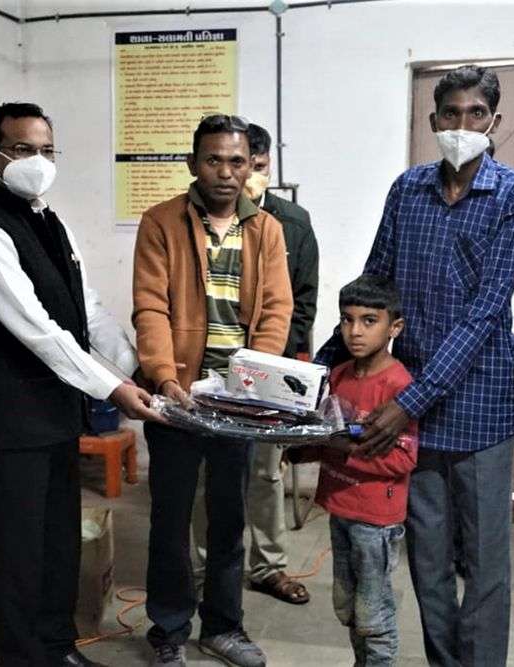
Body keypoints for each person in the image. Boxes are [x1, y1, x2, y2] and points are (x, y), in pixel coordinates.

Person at [317, 65, 514, 666]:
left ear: (494, 121)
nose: (461, 125)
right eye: (450, 113)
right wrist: (319, 368)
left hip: (476, 409)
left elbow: (486, 311)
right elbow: (375, 284)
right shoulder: (407, 190)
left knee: (487, 564)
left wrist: (407, 403)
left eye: (475, 114)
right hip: (410, 411)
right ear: (432, 119)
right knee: (428, 558)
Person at [0, 102, 159, 667]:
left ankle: (58, 648)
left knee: (59, 541)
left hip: (57, 414)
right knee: (17, 550)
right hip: (10, 419)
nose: (36, 161)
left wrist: (136, 367)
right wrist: (112, 389)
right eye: (21, 150)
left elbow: (84, 313)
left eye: (45, 149)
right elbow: (37, 330)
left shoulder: (50, 220)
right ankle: (22, 657)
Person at [132, 114, 293, 667]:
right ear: (193, 164)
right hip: (177, 396)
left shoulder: (266, 230)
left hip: (238, 400)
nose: (226, 172)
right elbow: (150, 305)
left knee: (229, 516)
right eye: (214, 160)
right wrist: (164, 376)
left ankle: (223, 627)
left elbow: (276, 310)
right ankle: (169, 629)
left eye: (236, 161)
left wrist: (255, 382)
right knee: (171, 517)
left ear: (251, 166)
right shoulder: (160, 222)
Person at [189, 122, 319, 606]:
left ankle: (268, 566)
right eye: (221, 162)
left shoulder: (291, 223)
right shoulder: (188, 220)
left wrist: (280, 363)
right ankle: (204, 570)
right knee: (209, 478)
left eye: (255, 167)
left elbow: (301, 299)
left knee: (265, 474)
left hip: (268, 373)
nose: (241, 176)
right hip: (207, 376)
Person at [288, 274, 418, 666]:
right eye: (347, 319)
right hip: (341, 511)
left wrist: (340, 449)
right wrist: (304, 450)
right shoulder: (339, 377)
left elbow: (404, 458)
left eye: (368, 321)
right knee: (348, 606)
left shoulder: (399, 384)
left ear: (394, 327)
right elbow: (328, 436)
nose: (355, 331)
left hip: (375, 522)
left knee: (373, 613)